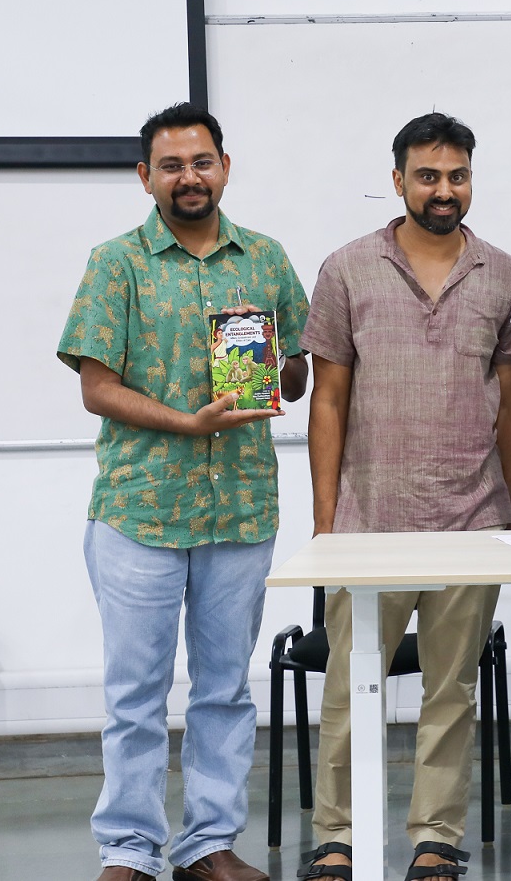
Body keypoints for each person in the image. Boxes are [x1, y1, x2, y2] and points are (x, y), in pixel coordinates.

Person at [58, 102, 310, 881]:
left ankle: (208, 845)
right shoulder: (116, 263)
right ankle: (128, 850)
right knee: (134, 695)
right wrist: (186, 423)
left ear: (224, 168)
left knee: (224, 690)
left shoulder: (264, 260)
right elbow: (95, 387)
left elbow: (301, 374)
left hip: (238, 509)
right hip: (139, 511)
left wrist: (273, 371)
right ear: (146, 177)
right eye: (171, 165)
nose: (189, 177)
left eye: (202, 162)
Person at [297, 113, 511, 881]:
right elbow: (325, 399)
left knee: (451, 690)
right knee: (348, 687)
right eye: (427, 176)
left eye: (457, 175)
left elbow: (510, 395)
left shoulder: (501, 271)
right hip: (368, 521)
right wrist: (326, 522)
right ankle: (339, 835)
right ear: (397, 181)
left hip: (470, 518)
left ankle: (436, 836)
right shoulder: (347, 268)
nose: (443, 189)